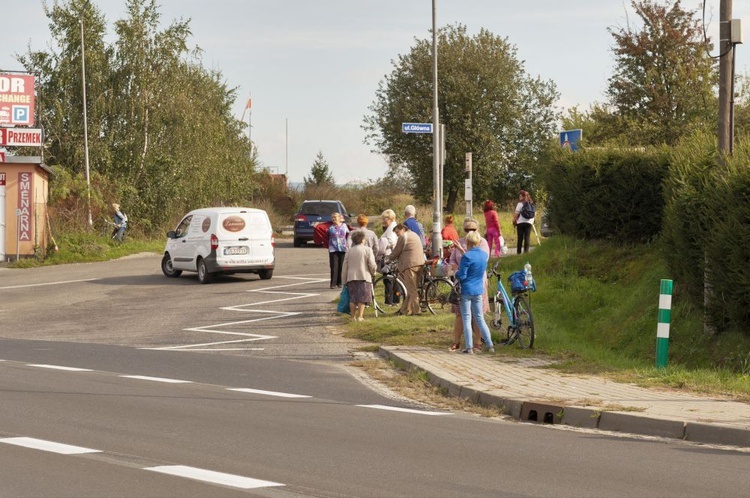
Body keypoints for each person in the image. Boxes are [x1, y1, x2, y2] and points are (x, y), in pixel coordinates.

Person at [448, 218, 490, 352]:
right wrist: (454, 266)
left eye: (472, 230)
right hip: (463, 284)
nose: (469, 232)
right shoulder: (459, 242)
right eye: (467, 230)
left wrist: (461, 254)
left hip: (474, 282)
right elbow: (452, 260)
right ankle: (457, 341)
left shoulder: (482, 243)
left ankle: (476, 343)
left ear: (477, 230)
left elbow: (475, 259)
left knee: (476, 315)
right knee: (460, 315)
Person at [456, 230, 495, 355]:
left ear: (467, 242)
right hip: (479, 290)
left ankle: (469, 347)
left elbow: (462, 275)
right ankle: (490, 344)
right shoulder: (483, 255)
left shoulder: (467, 257)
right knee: (479, 318)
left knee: (467, 318)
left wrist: (456, 273)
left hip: (467, 290)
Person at [386, 223, 425, 316]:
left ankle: (416, 311)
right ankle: (404, 310)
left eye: (397, 232)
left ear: (402, 229)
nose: (397, 234)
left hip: (409, 265)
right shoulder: (414, 234)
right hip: (420, 264)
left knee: (412, 290)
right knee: (411, 288)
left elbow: (396, 251)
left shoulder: (403, 237)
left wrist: (387, 259)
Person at [342, 230, 377, 321]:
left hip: (351, 277)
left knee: (353, 298)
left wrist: (344, 280)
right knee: (362, 298)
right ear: (362, 240)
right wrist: (373, 272)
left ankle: (352, 316)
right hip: (364, 276)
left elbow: (345, 266)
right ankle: (360, 316)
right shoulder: (367, 250)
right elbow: (372, 264)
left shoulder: (349, 251)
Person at [376, 209, 399, 305]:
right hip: (392, 256)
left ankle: (389, 301)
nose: (383, 221)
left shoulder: (391, 228)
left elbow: (391, 241)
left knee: (388, 279)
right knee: (394, 278)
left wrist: (383, 243)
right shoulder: (392, 227)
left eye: (384, 218)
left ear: (389, 218)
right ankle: (395, 299)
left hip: (388, 256)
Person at [327, 212, 349, 288]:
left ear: (340, 218)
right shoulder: (330, 227)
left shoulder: (344, 226)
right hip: (333, 248)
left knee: (341, 266)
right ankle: (333, 283)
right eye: (332, 218)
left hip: (343, 248)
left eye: (335, 218)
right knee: (334, 266)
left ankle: (340, 282)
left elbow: (349, 235)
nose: (334, 219)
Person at [513, 190, 535, 254]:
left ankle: (519, 252)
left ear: (523, 196)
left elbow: (516, 214)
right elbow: (534, 213)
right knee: (527, 237)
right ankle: (526, 252)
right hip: (529, 222)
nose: (519, 197)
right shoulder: (531, 203)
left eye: (520, 196)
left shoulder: (520, 204)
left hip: (520, 223)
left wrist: (514, 221)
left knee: (520, 238)